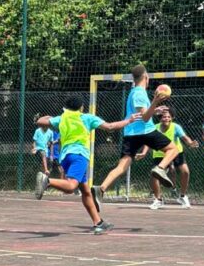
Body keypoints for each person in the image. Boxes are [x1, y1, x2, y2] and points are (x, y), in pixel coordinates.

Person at [34, 96, 139, 234]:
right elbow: (110, 127)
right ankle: (47, 181)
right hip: (79, 155)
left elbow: (40, 121)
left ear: (66, 108)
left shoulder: (61, 118)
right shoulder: (87, 118)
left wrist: (51, 116)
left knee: (86, 191)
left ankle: (98, 222)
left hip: (65, 157)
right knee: (71, 186)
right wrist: (129, 120)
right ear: (81, 107)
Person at [90, 64, 178, 212]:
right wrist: (155, 102)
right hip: (144, 131)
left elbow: (143, 113)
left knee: (122, 167)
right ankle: (160, 168)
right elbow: (144, 118)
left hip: (131, 134)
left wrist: (154, 110)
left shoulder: (134, 92)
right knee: (173, 149)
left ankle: (101, 189)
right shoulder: (139, 93)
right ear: (146, 77)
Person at [147, 106, 198, 209]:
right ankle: (158, 199)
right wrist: (143, 152)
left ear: (172, 118)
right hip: (160, 154)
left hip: (176, 152)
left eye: (168, 117)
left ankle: (182, 196)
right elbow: (148, 142)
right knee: (154, 175)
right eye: (164, 117)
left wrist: (190, 143)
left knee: (185, 172)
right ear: (160, 118)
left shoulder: (176, 127)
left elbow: (185, 138)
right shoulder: (154, 128)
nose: (166, 119)